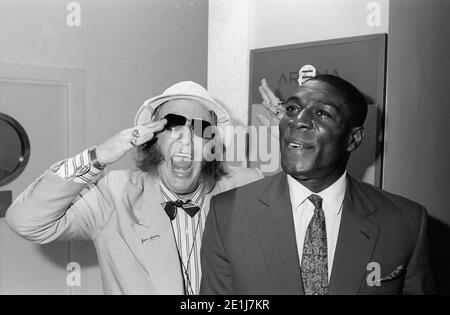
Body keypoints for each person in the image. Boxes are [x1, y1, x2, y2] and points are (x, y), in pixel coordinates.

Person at [6, 81, 263, 295]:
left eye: (200, 128)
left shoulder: (245, 188)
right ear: (152, 139)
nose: (185, 140)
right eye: (172, 124)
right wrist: (99, 155)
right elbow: (25, 221)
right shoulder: (114, 195)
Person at [200, 74, 436, 295]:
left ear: (353, 139)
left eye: (322, 113)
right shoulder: (228, 214)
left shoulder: (406, 223)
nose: (298, 121)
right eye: (292, 109)